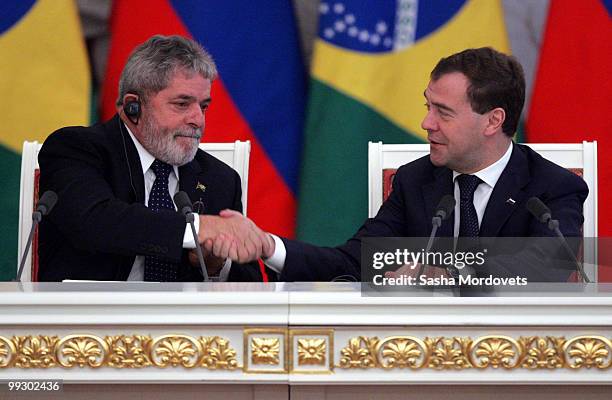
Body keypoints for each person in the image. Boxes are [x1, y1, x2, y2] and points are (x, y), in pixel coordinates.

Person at [211, 47, 589, 283]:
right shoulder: (416, 181)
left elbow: (548, 264)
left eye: (443, 112)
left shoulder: (551, 186)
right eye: (428, 106)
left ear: (492, 121)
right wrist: (268, 246)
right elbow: (354, 260)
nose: (427, 123)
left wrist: (446, 274)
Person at [38, 35, 269, 282]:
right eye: (182, 104)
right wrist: (200, 229)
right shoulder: (75, 149)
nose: (198, 120)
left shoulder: (220, 179)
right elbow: (95, 221)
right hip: (87, 317)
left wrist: (214, 265)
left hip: (185, 320)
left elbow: (250, 285)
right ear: (133, 107)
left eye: (203, 106)